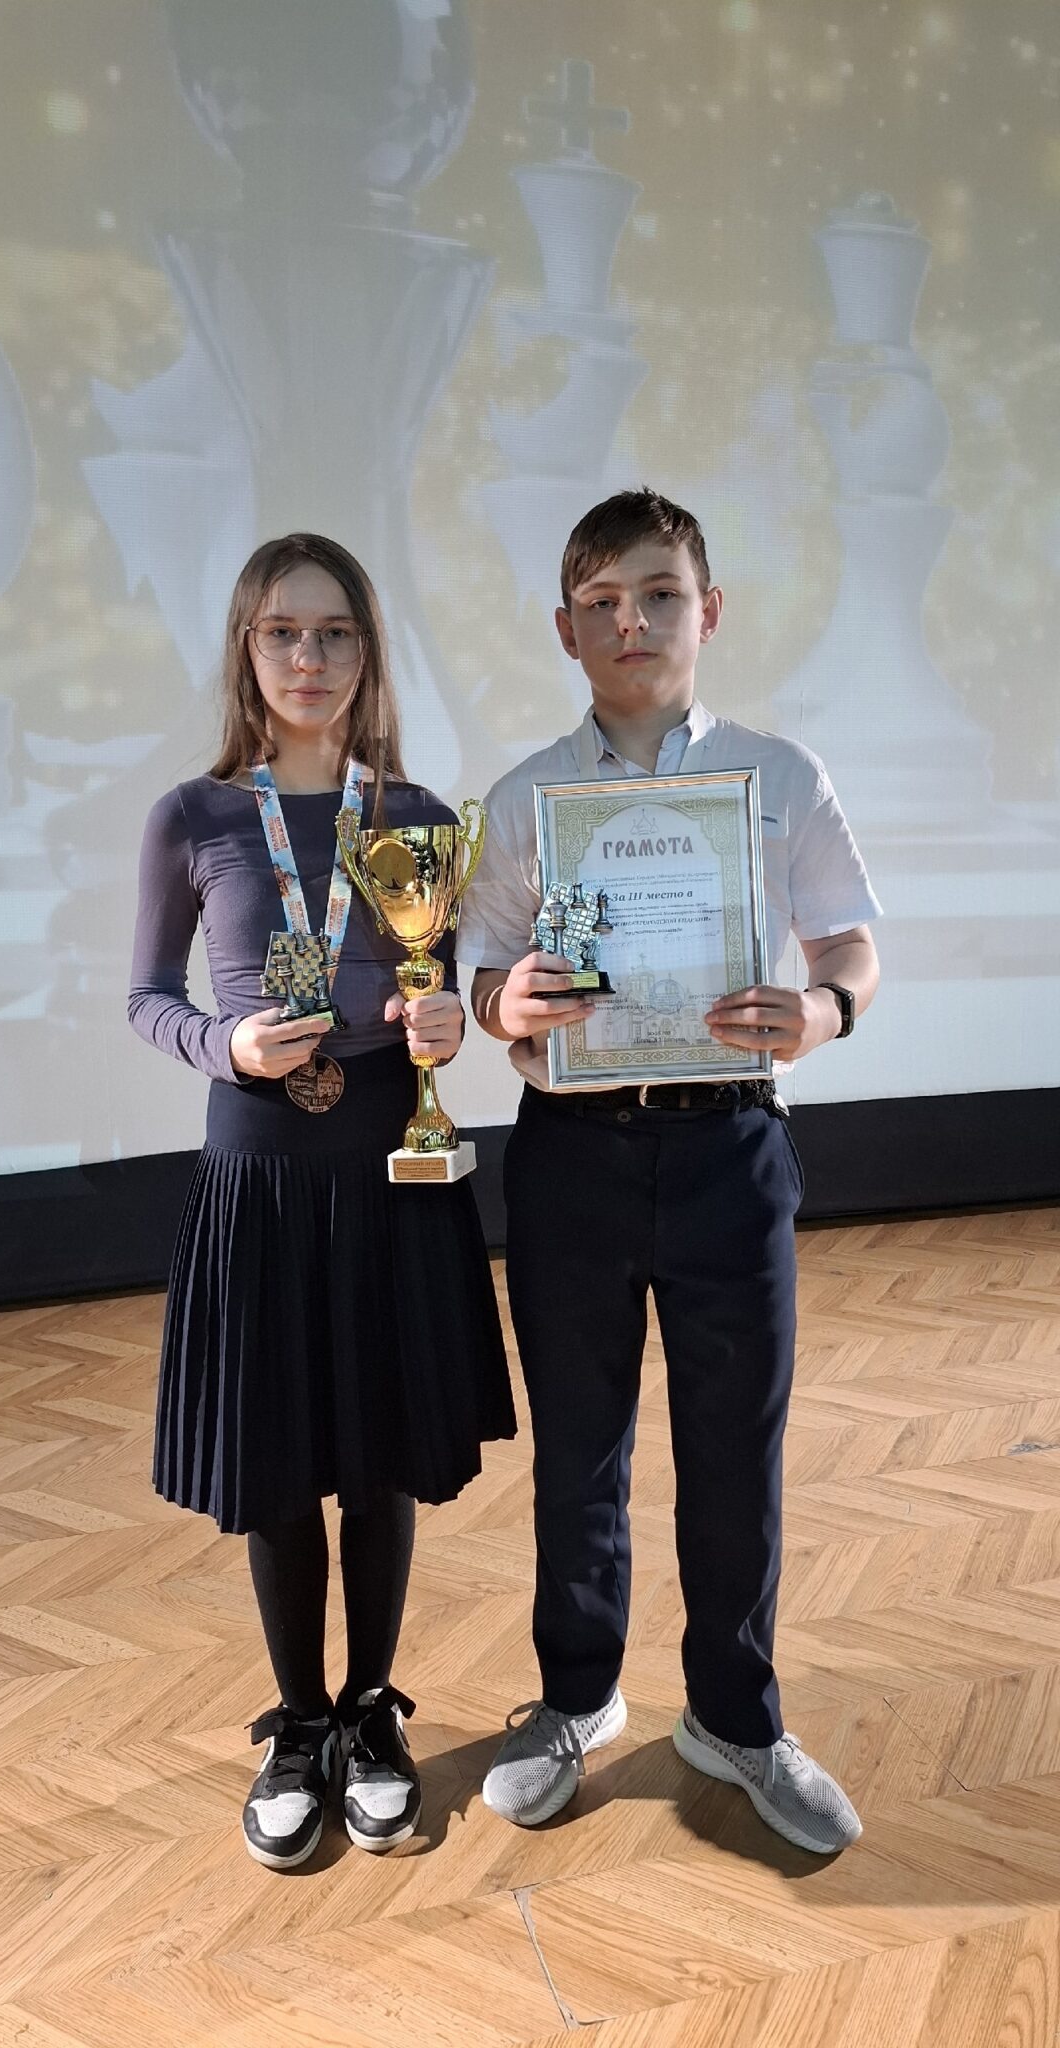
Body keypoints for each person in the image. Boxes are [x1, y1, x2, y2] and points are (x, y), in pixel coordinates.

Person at [456, 489, 880, 1855]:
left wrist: (822, 1013)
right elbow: (480, 974)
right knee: (579, 1448)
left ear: (710, 610)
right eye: (601, 601)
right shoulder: (526, 797)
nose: (630, 620)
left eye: (657, 592)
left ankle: (736, 1718)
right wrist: (505, 1003)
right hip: (571, 1154)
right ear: (564, 628)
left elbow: (851, 943)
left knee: (735, 1451)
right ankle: (577, 1699)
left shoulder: (780, 775)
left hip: (731, 1148)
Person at [129, 533, 515, 1870]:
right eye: (283, 631)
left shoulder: (420, 818)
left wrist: (442, 1024)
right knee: (281, 1461)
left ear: (368, 652)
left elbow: (435, 994)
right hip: (260, 1177)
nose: (309, 657)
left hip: (388, 1171)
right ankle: (299, 1724)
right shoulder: (192, 816)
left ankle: (371, 1711)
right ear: (247, 648)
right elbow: (147, 998)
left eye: (336, 631)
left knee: (382, 1454)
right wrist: (222, 1044)